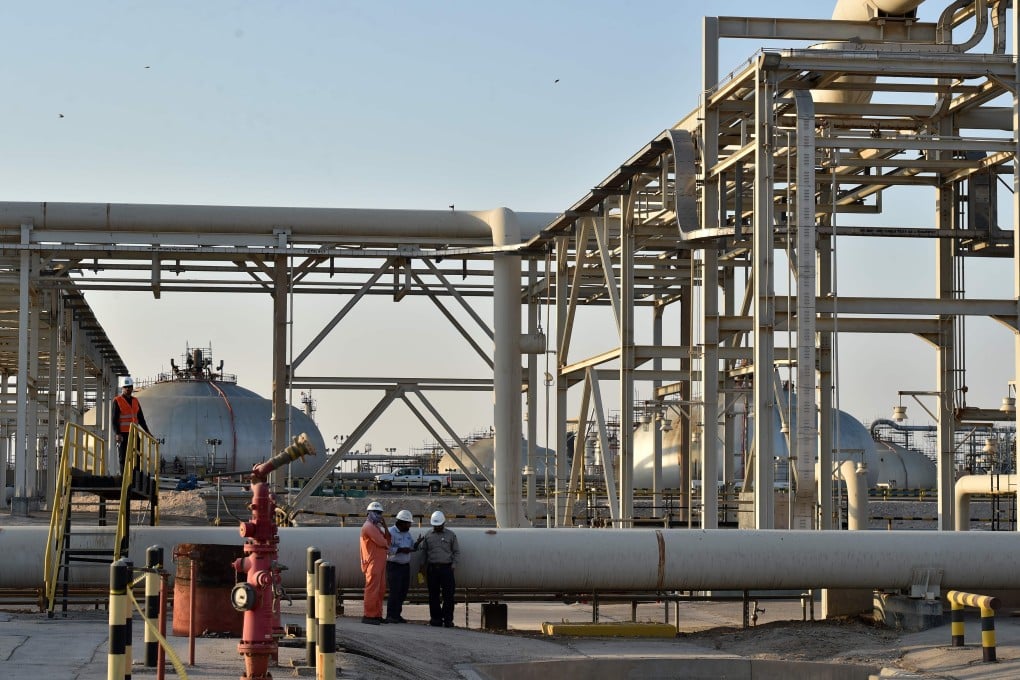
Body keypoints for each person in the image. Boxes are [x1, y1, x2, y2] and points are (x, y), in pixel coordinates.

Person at [416, 510, 459, 628]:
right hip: (432, 569)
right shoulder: (428, 535)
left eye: (439, 525)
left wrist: (453, 565)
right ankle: (436, 619)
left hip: (447, 569)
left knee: (449, 596)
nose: (437, 527)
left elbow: (456, 552)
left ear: (444, 523)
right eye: (435, 526)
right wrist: (422, 567)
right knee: (433, 595)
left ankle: (448, 619)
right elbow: (424, 553)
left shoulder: (451, 535)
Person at [359, 500, 391, 624]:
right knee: (372, 589)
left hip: (380, 562)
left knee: (380, 589)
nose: (379, 515)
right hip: (372, 562)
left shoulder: (376, 527)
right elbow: (383, 542)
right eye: (376, 512)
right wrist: (386, 540)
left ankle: (377, 614)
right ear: (369, 513)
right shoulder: (368, 527)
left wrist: (385, 526)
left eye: (380, 513)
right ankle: (369, 615)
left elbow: (388, 540)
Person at [111, 376, 149, 473]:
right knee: (123, 457)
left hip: (134, 433)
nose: (128, 389)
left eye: (129, 387)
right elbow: (114, 419)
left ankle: (135, 476)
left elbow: (141, 418)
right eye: (126, 387)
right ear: (122, 388)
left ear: (132, 388)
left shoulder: (135, 401)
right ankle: (123, 477)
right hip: (123, 434)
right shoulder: (117, 400)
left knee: (136, 456)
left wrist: (148, 432)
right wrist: (117, 433)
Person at [385, 509, 415, 623]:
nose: (410, 526)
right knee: (395, 591)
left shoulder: (407, 533)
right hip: (394, 566)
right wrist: (400, 549)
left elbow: (411, 546)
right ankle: (390, 615)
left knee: (403, 591)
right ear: (401, 522)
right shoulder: (390, 533)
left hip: (405, 566)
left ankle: (397, 615)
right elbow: (387, 549)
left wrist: (415, 545)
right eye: (408, 523)